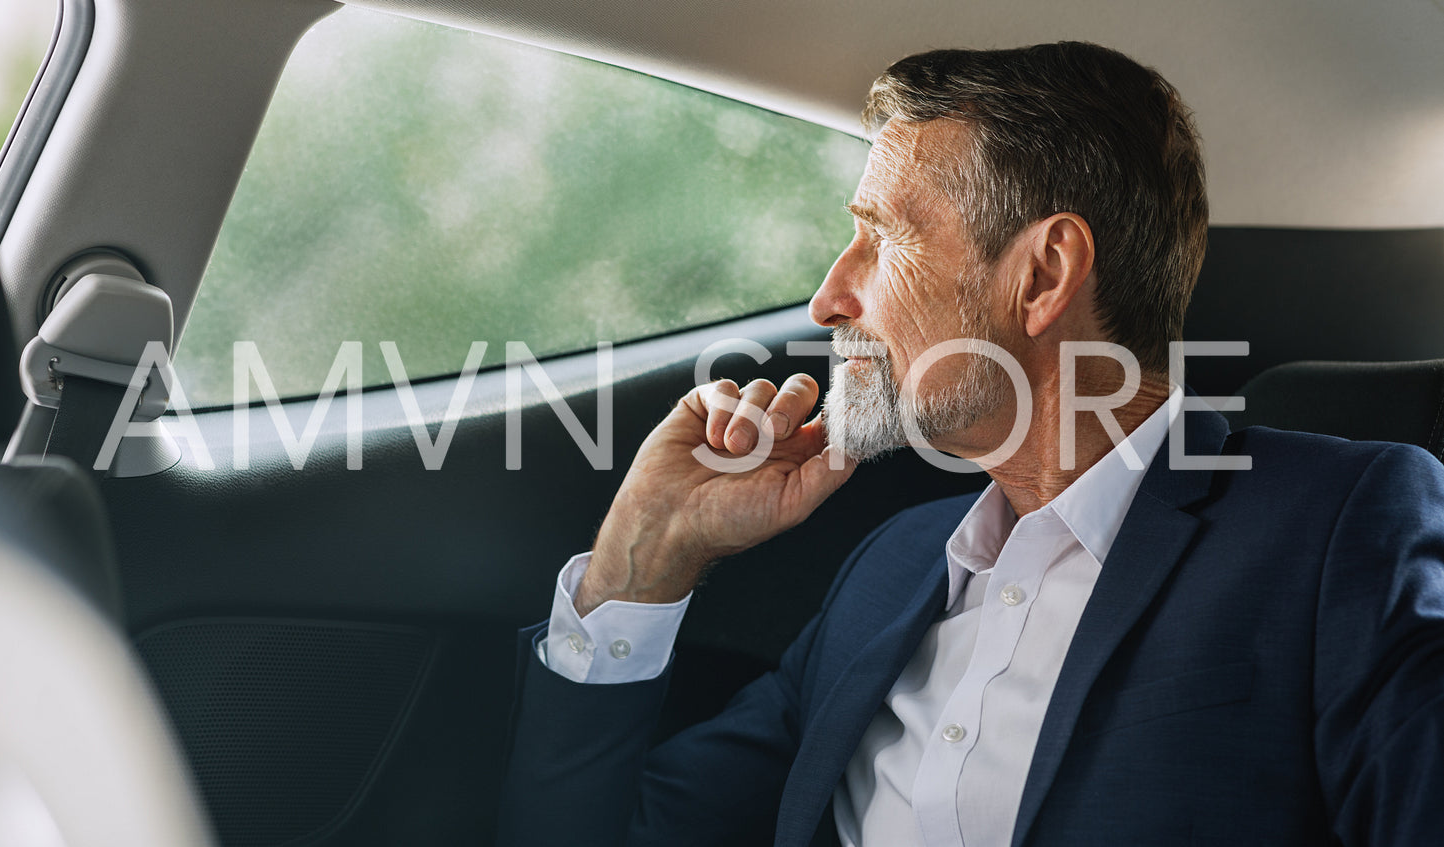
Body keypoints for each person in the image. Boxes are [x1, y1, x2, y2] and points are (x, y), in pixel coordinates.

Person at [497, 42, 1444, 847]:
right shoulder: (893, 567)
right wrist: (643, 558)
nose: (830, 300)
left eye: (881, 239)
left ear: (1041, 275)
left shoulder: (1334, 525)